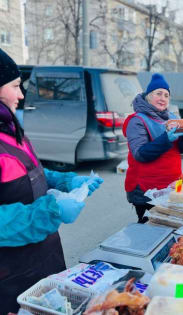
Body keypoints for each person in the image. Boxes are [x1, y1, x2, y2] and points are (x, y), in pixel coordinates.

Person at [0, 48, 103, 313]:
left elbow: (32, 173)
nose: (22, 95)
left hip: (44, 260)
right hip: (10, 278)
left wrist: (67, 182)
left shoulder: (11, 131)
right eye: (14, 86)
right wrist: (51, 212)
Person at [123, 73, 183, 223]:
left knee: (171, 227)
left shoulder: (172, 118)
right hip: (146, 189)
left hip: (171, 186)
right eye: (158, 93)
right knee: (150, 229)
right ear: (148, 96)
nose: (163, 98)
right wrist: (166, 139)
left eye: (166, 95)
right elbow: (140, 154)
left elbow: (182, 149)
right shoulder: (137, 121)